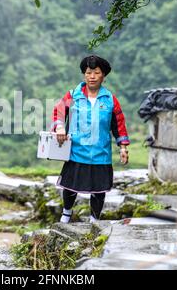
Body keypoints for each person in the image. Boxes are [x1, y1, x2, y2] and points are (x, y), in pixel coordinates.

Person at [51, 55, 130, 223]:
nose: (92, 76)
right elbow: (59, 111)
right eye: (88, 73)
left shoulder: (110, 100)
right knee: (71, 185)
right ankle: (66, 214)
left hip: (101, 152)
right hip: (77, 150)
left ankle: (94, 220)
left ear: (103, 76)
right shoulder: (73, 95)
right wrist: (59, 127)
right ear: (84, 75)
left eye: (96, 73)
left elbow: (119, 124)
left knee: (99, 189)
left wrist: (123, 147)